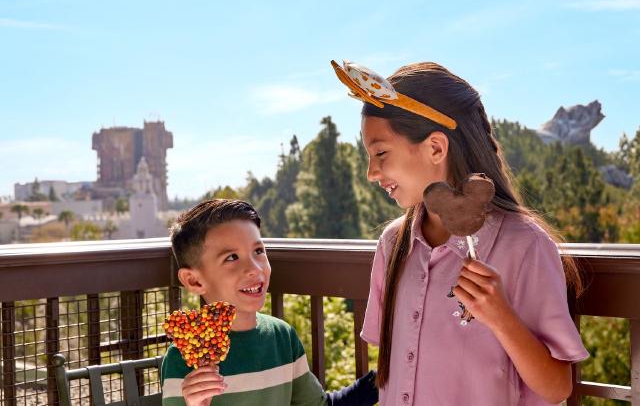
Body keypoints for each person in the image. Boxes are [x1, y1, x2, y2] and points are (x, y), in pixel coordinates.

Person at [331, 60, 589, 405]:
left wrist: (501, 318)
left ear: (436, 147)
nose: (371, 172)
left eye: (380, 153)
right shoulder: (393, 244)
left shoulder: (525, 245)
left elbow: (558, 387)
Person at [160, 199, 378, 406]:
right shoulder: (182, 359)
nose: (255, 268)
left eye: (258, 251)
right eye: (232, 258)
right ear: (194, 280)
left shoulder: (283, 338)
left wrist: (383, 379)